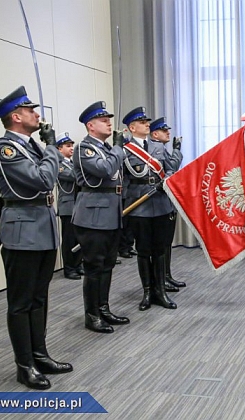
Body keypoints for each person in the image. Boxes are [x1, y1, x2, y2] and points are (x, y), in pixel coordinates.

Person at [0, 86, 72, 389]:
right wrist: (51, 147)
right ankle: (24, 365)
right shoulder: (5, 148)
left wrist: (46, 148)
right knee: (21, 302)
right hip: (22, 230)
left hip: (43, 228)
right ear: (16, 116)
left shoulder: (33, 146)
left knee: (39, 298)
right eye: (30, 110)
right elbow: (43, 179)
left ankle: (40, 354)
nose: (37, 114)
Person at [73, 101, 129, 333]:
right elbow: (105, 170)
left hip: (111, 213)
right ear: (90, 125)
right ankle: (92, 314)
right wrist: (118, 148)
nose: (109, 123)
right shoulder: (84, 148)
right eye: (103, 120)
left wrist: (114, 149)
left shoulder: (106, 149)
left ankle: (103, 308)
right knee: (94, 266)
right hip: (93, 215)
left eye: (108, 119)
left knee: (107, 265)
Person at [122, 107, 177, 310]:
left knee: (160, 250)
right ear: (132, 127)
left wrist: (168, 177)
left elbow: (170, 166)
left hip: (160, 203)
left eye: (147, 121)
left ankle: (160, 291)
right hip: (139, 205)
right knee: (144, 251)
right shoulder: (125, 149)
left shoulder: (158, 147)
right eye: (142, 122)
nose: (147, 124)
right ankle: (147, 292)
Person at [149, 117, 185, 289]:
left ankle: (167, 275)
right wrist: (177, 151)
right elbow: (172, 167)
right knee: (162, 244)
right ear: (155, 134)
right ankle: (162, 278)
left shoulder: (161, 148)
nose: (168, 133)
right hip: (158, 201)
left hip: (166, 201)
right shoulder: (156, 148)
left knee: (166, 243)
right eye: (164, 131)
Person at [55, 132, 83, 280]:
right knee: (69, 239)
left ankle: (78, 264)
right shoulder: (58, 165)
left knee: (79, 238)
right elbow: (75, 176)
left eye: (72, 145)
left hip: (77, 205)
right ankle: (69, 268)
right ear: (59, 149)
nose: (72, 148)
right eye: (67, 146)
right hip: (68, 206)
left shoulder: (72, 163)